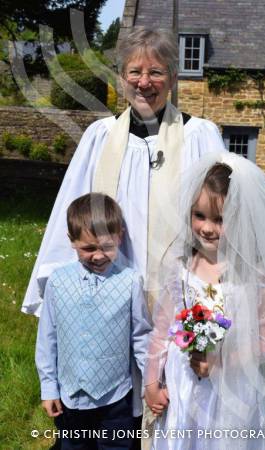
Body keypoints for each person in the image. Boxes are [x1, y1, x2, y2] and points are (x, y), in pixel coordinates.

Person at [22, 27, 226, 317]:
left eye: (156, 72)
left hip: (179, 292)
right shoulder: (99, 137)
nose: (144, 82)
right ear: (121, 78)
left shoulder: (200, 136)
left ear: (173, 80)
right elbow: (73, 211)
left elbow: (224, 213)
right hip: (106, 287)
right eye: (134, 72)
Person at [144, 152, 265, 449]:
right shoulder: (180, 269)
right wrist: (152, 383)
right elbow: (160, 333)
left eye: (220, 219)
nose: (207, 228)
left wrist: (221, 361)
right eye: (199, 215)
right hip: (184, 388)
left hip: (234, 393)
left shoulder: (254, 278)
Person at [35, 193, 152, 450]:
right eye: (88, 248)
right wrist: (49, 388)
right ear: (72, 241)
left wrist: (151, 381)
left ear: (119, 237)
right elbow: (47, 339)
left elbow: (141, 336)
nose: (98, 256)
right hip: (71, 398)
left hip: (116, 398)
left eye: (107, 247)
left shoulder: (130, 281)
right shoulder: (57, 281)